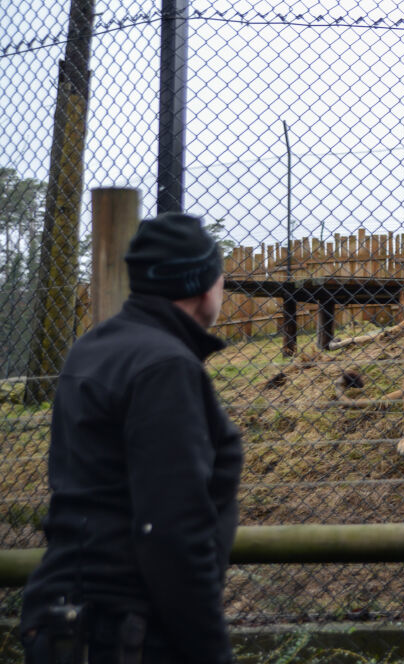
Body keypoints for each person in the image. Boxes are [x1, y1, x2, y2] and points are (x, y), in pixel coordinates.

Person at [19, 212, 243, 664]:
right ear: (205, 284)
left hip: (64, 615)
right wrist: (211, 651)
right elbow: (170, 531)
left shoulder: (93, 347)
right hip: (128, 631)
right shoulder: (165, 368)